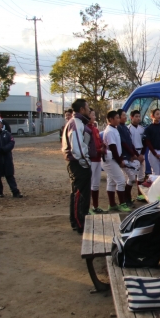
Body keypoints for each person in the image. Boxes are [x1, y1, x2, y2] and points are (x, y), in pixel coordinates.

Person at [62, 99, 93, 233]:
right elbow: (78, 148)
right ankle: (79, 223)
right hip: (78, 164)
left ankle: (77, 221)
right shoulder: (75, 123)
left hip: (79, 163)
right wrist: (86, 162)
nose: (89, 110)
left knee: (79, 193)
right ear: (81, 109)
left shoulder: (78, 123)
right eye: (87, 107)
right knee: (79, 194)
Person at [102, 110, 131, 212]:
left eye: (119, 117)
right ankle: (122, 203)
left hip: (114, 159)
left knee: (111, 182)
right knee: (121, 181)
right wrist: (120, 161)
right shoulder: (110, 131)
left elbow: (117, 147)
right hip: (110, 160)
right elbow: (113, 148)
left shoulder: (114, 129)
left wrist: (120, 158)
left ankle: (112, 204)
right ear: (110, 119)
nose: (119, 120)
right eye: (117, 118)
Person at [0, 117, 23, 198]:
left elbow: (11, 142)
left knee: (9, 175)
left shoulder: (7, 134)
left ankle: (15, 192)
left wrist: (5, 149)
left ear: (2, 124)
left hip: (7, 158)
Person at [116, 108, 138, 206]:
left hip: (128, 155)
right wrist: (131, 154)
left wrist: (134, 154)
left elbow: (130, 142)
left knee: (131, 177)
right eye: (123, 115)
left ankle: (127, 198)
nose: (125, 117)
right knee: (130, 177)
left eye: (125, 115)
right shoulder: (119, 128)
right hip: (124, 156)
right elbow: (123, 143)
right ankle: (125, 199)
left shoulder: (124, 127)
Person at [87, 109, 106, 214]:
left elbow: (99, 141)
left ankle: (95, 206)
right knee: (89, 184)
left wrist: (103, 146)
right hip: (91, 160)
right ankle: (87, 207)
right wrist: (99, 150)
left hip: (98, 159)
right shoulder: (86, 129)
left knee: (96, 184)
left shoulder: (95, 128)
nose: (94, 117)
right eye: (92, 115)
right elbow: (89, 147)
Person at [128, 110, 146, 192]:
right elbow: (129, 144)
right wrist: (135, 155)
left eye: (139, 116)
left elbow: (145, 142)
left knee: (141, 175)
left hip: (141, 153)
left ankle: (140, 194)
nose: (138, 118)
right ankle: (127, 194)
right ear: (131, 117)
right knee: (132, 176)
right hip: (133, 154)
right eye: (136, 116)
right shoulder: (128, 129)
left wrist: (142, 154)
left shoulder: (142, 129)